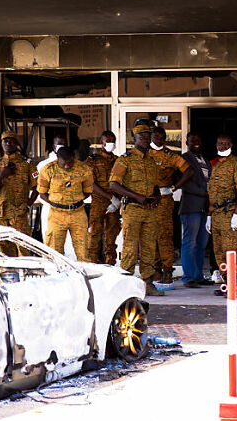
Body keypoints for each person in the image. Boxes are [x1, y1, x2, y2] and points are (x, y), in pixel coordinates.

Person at [109, 124, 163, 297]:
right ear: (134, 139)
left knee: (149, 247)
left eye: (148, 136)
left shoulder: (151, 160)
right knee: (130, 248)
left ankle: (148, 283)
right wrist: (137, 196)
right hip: (132, 208)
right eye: (142, 136)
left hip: (150, 210)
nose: (145, 139)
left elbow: (155, 184)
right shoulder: (125, 159)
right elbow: (113, 184)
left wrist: (157, 196)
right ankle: (125, 285)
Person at [149, 127, 193, 286]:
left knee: (165, 236)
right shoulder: (143, 154)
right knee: (150, 235)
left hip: (164, 200)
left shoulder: (170, 155)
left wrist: (174, 187)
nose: (159, 139)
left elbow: (189, 171)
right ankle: (155, 270)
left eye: (162, 137)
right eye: (156, 136)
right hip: (146, 200)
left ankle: (167, 270)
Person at [208, 133, 237, 296]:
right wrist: (209, 215)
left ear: (231, 145)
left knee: (231, 249)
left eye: (226, 143)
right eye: (220, 143)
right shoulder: (216, 164)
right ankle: (227, 283)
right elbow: (211, 192)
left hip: (229, 213)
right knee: (218, 250)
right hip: (216, 214)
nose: (223, 146)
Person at [37, 147, 93, 261]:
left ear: (74, 158)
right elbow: (42, 193)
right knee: (54, 252)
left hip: (78, 214)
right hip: (56, 215)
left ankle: (83, 272)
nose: (67, 166)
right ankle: (56, 272)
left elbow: (88, 191)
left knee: (84, 251)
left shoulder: (84, 169)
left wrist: (74, 201)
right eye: (63, 164)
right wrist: (57, 204)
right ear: (57, 159)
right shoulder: (48, 170)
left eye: (70, 163)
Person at [0, 131, 39, 255]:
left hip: (19, 213)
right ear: (1, 143)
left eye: (11, 140)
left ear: (16, 143)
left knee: (24, 247)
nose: (8, 143)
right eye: (5, 141)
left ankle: (25, 268)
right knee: (5, 248)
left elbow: (37, 187)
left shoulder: (27, 164)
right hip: (2, 213)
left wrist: (28, 204)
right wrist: (1, 175)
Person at [179, 133, 212, 289]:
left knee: (201, 244)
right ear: (187, 143)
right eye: (193, 141)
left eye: (198, 140)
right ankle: (189, 277)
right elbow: (184, 183)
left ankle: (198, 276)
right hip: (191, 206)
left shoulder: (205, 160)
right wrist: (204, 193)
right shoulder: (184, 159)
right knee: (190, 243)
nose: (196, 143)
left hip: (205, 207)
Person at [86, 131, 122, 265]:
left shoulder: (119, 160)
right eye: (108, 141)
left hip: (115, 202)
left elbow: (123, 182)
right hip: (98, 202)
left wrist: (117, 201)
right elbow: (91, 183)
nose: (111, 143)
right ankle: (93, 264)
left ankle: (110, 264)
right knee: (95, 235)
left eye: (113, 141)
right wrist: (110, 197)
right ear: (102, 142)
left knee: (111, 236)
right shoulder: (92, 160)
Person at [37, 133, 68, 245]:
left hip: (68, 208)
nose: (61, 146)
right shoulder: (43, 165)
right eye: (59, 144)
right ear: (53, 146)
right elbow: (39, 190)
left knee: (68, 243)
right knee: (50, 241)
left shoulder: (73, 164)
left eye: (64, 144)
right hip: (50, 206)